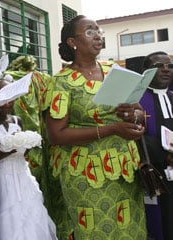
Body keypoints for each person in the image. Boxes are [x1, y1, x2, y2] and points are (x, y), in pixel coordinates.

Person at [44, 15, 147, 239]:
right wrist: (111, 129)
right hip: (85, 174)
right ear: (72, 42)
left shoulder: (114, 70)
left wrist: (134, 117)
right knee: (94, 231)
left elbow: (139, 111)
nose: (98, 36)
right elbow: (55, 135)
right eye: (90, 31)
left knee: (129, 231)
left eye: (99, 30)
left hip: (125, 170)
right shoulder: (61, 82)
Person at [0, 73, 57, 240]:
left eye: (10, 97)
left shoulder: (16, 121)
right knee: (6, 225)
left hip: (22, 180)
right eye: (2, 97)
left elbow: (21, 152)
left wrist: (27, 145)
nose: (8, 103)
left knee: (30, 223)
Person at [139, 51, 173, 240]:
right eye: (159, 66)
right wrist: (164, 157)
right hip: (155, 174)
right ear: (146, 72)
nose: (166, 70)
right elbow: (138, 137)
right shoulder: (137, 101)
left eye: (170, 66)